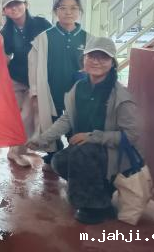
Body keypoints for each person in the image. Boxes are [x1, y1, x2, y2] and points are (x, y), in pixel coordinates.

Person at [27, 37, 139, 224]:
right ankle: (100, 195)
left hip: (114, 155)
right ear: (83, 60)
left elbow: (132, 135)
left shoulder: (121, 96)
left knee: (82, 154)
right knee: (59, 161)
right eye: (91, 56)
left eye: (103, 57)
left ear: (112, 63)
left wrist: (93, 137)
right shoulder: (79, 87)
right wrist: (42, 139)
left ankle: (94, 207)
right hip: (85, 150)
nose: (96, 61)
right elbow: (67, 119)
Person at [28, 0, 89, 171]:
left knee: (75, 126)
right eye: (63, 8)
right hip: (51, 92)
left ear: (79, 11)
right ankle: (54, 155)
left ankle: (75, 157)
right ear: (56, 11)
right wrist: (35, 91)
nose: (68, 12)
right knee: (51, 124)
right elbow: (33, 66)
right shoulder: (44, 38)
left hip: (77, 95)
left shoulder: (88, 39)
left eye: (73, 8)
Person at [0, 0, 52, 167]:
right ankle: (14, 151)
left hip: (36, 78)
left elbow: (52, 45)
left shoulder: (41, 23)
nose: (14, 8)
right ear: (4, 11)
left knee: (27, 116)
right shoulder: (6, 31)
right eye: (9, 6)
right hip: (15, 78)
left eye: (17, 3)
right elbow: (5, 57)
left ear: (26, 4)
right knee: (16, 117)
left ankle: (21, 151)